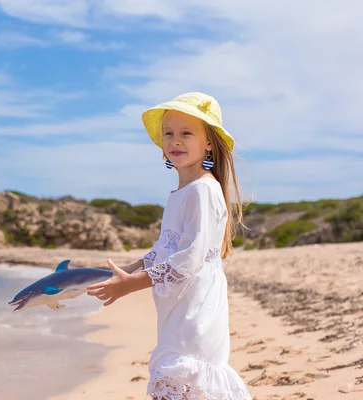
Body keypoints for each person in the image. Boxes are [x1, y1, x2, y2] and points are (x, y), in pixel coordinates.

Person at [87, 92, 252, 400]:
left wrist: (131, 285)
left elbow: (188, 258)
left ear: (208, 143)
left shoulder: (203, 190)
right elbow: (165, 247)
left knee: (182, 379)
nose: (175, 141)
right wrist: (130, 269)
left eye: (186, 133)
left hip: (195, 314)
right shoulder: (182, 191)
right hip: (179, 309)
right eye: (169, 133)